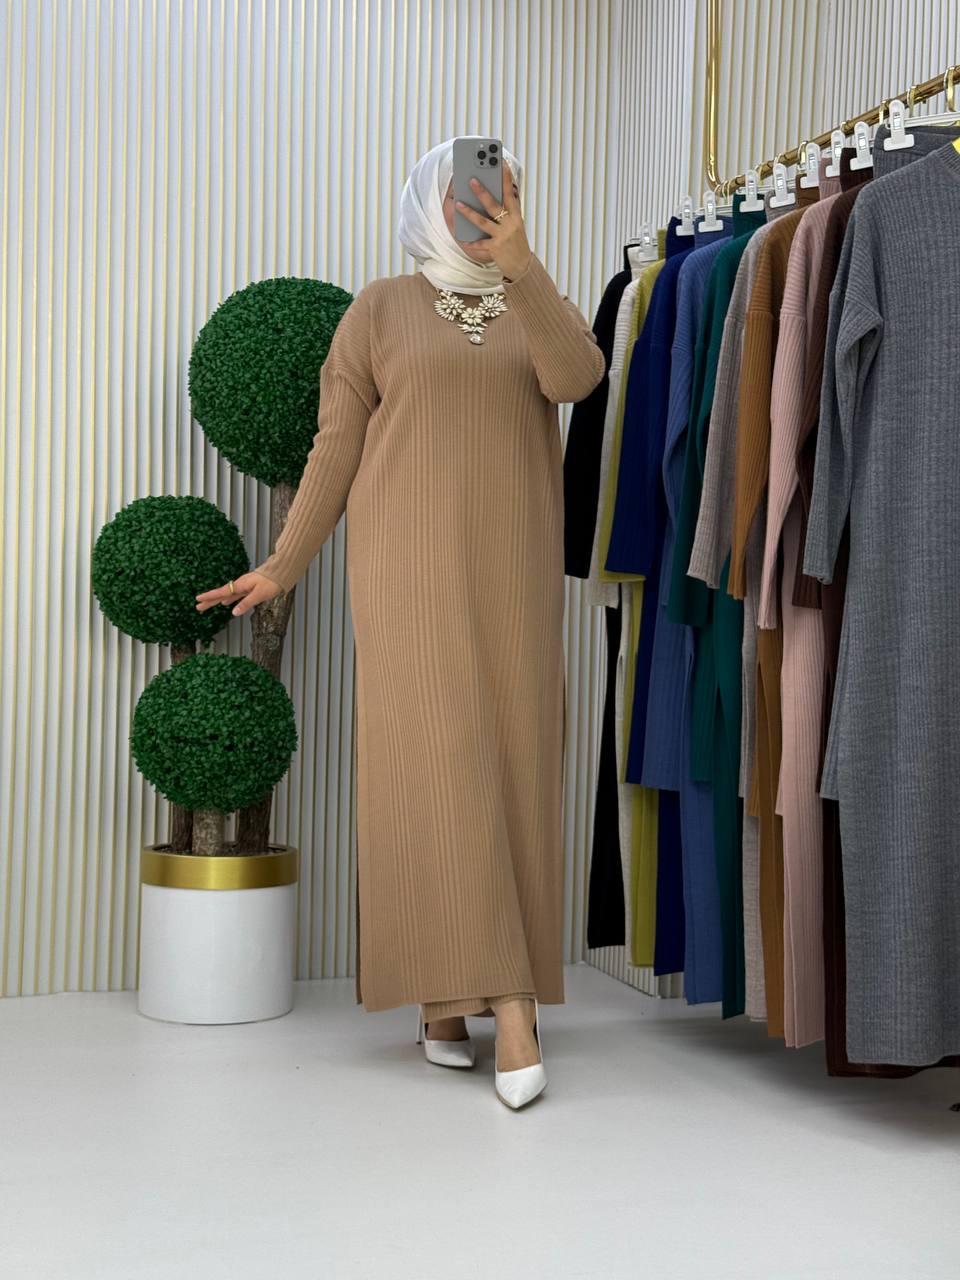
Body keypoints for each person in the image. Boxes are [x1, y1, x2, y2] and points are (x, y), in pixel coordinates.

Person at [196, 137, 605, 1108]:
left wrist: (523, 266)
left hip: (513, 578)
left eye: (506, 190)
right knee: (434, 774)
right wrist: (281, 564)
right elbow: (336, 447)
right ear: (432, 200)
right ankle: (508, 1005)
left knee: (512, 768)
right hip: (408, 577)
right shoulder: (377, 310)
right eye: (473, 190)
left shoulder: (533, 301)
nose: (489, 203)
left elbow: (578, 380)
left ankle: (445, 1003)